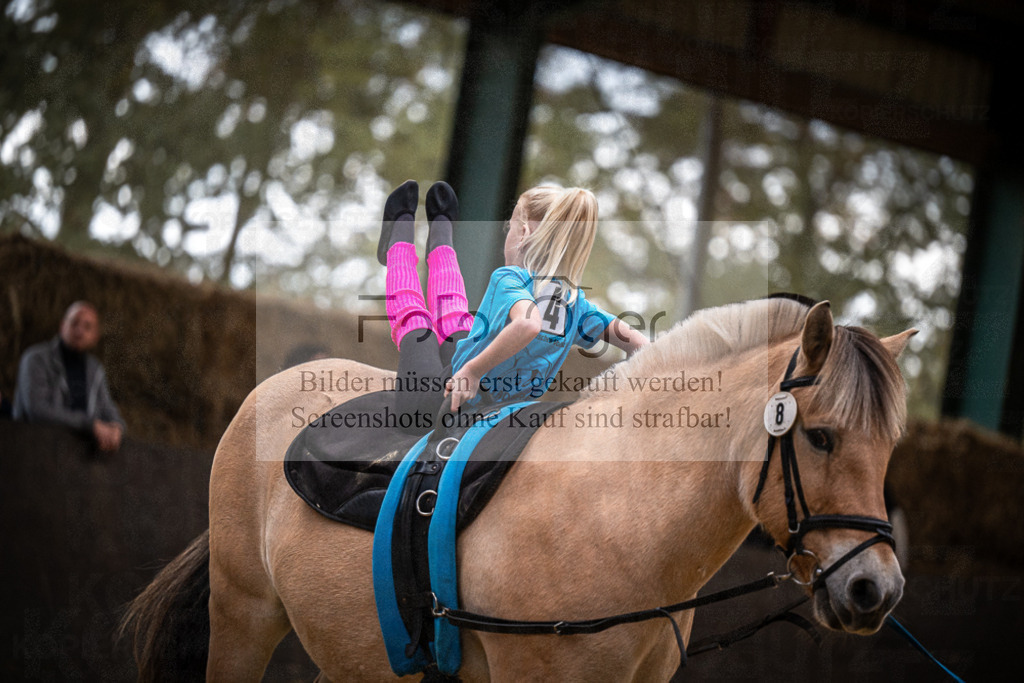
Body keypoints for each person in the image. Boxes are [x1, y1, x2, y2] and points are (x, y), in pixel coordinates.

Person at [378, 179, 648, 426]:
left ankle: (406, 233)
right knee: (458, 322)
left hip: (452, 398)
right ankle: (441, 235)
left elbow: (529, 324)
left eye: (509, 226)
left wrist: (473, 371)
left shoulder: (510, 277)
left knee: (416, 323)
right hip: (504, 413)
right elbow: (640, 345)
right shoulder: (575, 303)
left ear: (523, 232)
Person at [12, 301, 125, 451]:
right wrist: (89, 425)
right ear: (62, 326)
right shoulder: (36, 359)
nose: (79, 331)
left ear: (95, 336)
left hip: (77, 457)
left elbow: (109, 410)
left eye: (87, 327)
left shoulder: (95, 370)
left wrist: (116, 428)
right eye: (74, 323)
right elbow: (37, 410)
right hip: (33, 448)